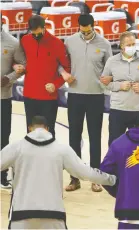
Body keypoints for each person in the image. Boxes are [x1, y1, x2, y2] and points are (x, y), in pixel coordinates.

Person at [0, 116, 117, 229]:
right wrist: (112, 179)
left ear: (29, 128)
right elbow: (87, 173)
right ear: (47, 128)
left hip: (21, 214)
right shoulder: (61, 149)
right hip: (54, 214)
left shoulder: (16, 147)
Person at [58, 14, 112, 192]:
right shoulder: (70, 41)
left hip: (96, 96)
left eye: (88, 31)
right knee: (74, 136)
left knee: (95, 137)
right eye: (83, 31)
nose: (86, 34)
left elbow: (110, 68)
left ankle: (95, 178)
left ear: (93, 26)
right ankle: (75, 178)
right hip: (75, 95)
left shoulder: (104, 43)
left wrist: (108, 80)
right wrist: (64, 74)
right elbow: (60, 63)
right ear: (78, 27)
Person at [102, 31, 139, 146]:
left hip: (138, 111)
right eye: (129, 45)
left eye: (133, 44)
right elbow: (104, 83)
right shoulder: (112, 61)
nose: (132, 47)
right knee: (115, 145)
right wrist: (119, 86)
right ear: (122, 46)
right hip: (118, 110)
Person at [20, 15, 70, 137]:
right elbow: (20, 61)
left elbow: (67, 68)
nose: (36, 36)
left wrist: (56, 84)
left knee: (49, 132)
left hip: (49, 97)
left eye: (38, 33)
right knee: (30, 132)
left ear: (44, 28)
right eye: (33, 33)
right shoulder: (25, 40)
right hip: (29, 95)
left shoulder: (57, 43)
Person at [1, 23, 26, 188]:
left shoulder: (12, 42)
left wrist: (8, 78)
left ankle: (2, 175)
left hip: (3, 97)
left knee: (3, 137)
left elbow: (23, 66)